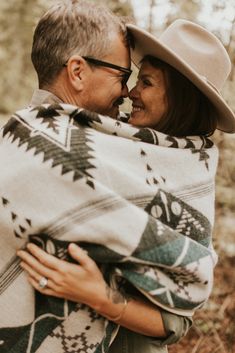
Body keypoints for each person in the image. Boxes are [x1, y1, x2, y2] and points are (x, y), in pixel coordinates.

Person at [15, 18, 235, 353]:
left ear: (179, 98)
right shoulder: (106, 143)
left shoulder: (192, 177)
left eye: (145, 83)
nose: (130, 92)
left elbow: (177, 321)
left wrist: (98, 295)